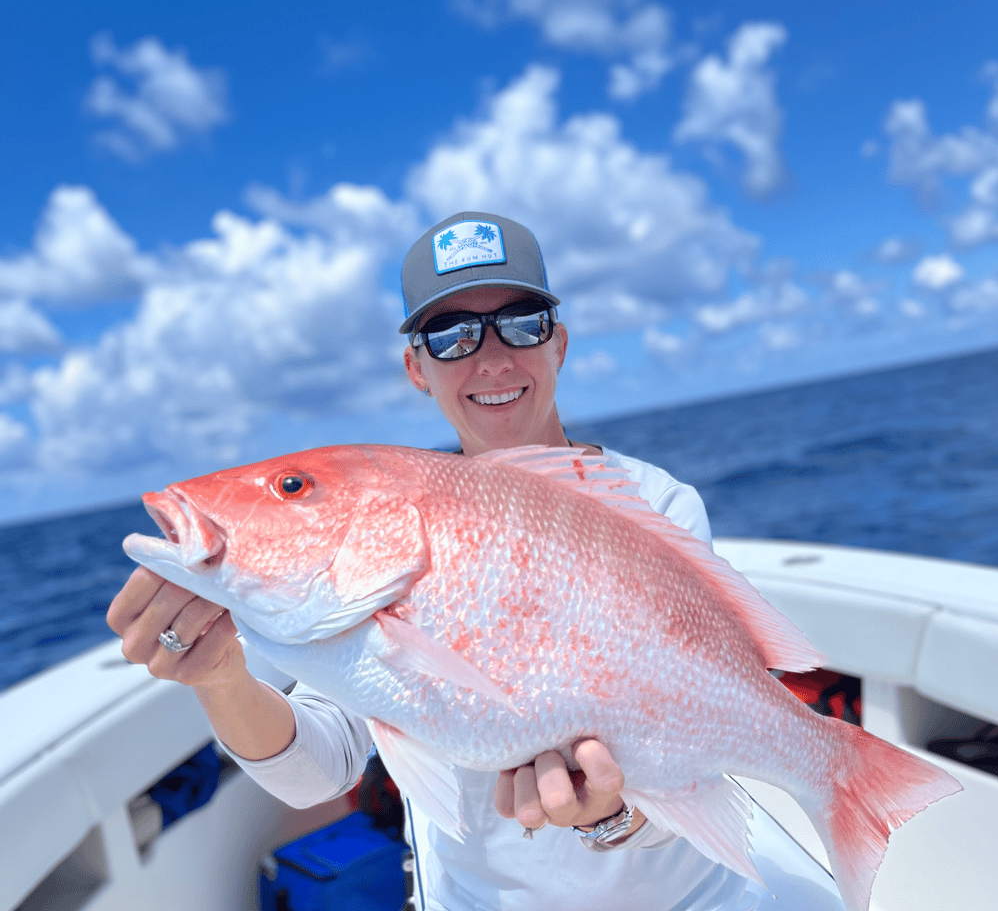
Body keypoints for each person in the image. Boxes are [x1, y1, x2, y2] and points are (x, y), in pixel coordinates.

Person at [108, 212, 846, 911]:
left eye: (521, 325)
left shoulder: (654, 502)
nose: (491, 357)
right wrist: (220, 679)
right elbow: (318, 771)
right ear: (416, 368)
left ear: (558, 344)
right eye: (450, 334)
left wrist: (609, 816)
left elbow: (694, 736)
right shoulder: (354, 595)